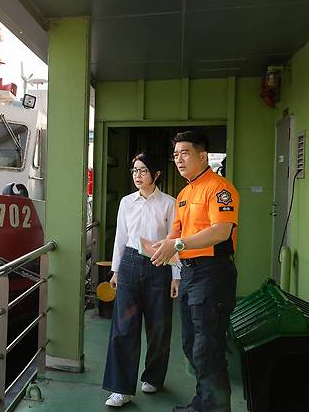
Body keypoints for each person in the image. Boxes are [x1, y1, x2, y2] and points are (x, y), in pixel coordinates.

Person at [150, 131, 239, 412]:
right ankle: (203, 404)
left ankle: (215, 409)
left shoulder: (220, 188)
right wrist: (161, 245)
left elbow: (221, 231)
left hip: (213, 273)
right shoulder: (185, 193)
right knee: (191, 346)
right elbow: (176, 234)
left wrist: (177, 243)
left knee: (207, 348)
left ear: (203, 156)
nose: (179, 160)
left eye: (185, 153)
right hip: (189, 274)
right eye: (175, 155)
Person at [103, 152, 180, 407]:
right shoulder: (126, 202)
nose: (138, 175)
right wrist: (115, 271)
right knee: (124, 327)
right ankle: (120, 388)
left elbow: (175, 241)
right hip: (130, 264)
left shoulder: (169, 203)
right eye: (135, 170)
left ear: (156, 174)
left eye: (143, 170)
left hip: (160, 265)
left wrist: (175, 275)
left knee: (158, 327)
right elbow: (120, 238)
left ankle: (154, 376)